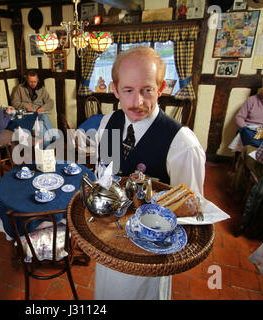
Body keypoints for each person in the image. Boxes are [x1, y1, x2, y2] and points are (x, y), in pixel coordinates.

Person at [95, 46, 206, 300]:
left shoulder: (181, 143)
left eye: (147, 90)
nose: (138, 102)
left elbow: (191, 210)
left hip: (149, 260)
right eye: (128, 90)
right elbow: (107, 175)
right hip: (109, 246)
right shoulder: (109, 123)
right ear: (115, 90)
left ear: (161, 88)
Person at [11, 70, 59, 146]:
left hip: (38, 113)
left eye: (35, 82)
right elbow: (14, 102)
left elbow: (50, 102)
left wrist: (43, 108)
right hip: (27, 115)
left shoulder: (41, 88)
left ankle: (46, 144)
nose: (33, 84)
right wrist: (26, 106)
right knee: (43, 120)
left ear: (38, 80)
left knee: (42, 119)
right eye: (30, 82)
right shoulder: (20, 88)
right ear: (27, 80)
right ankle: (55, 137)